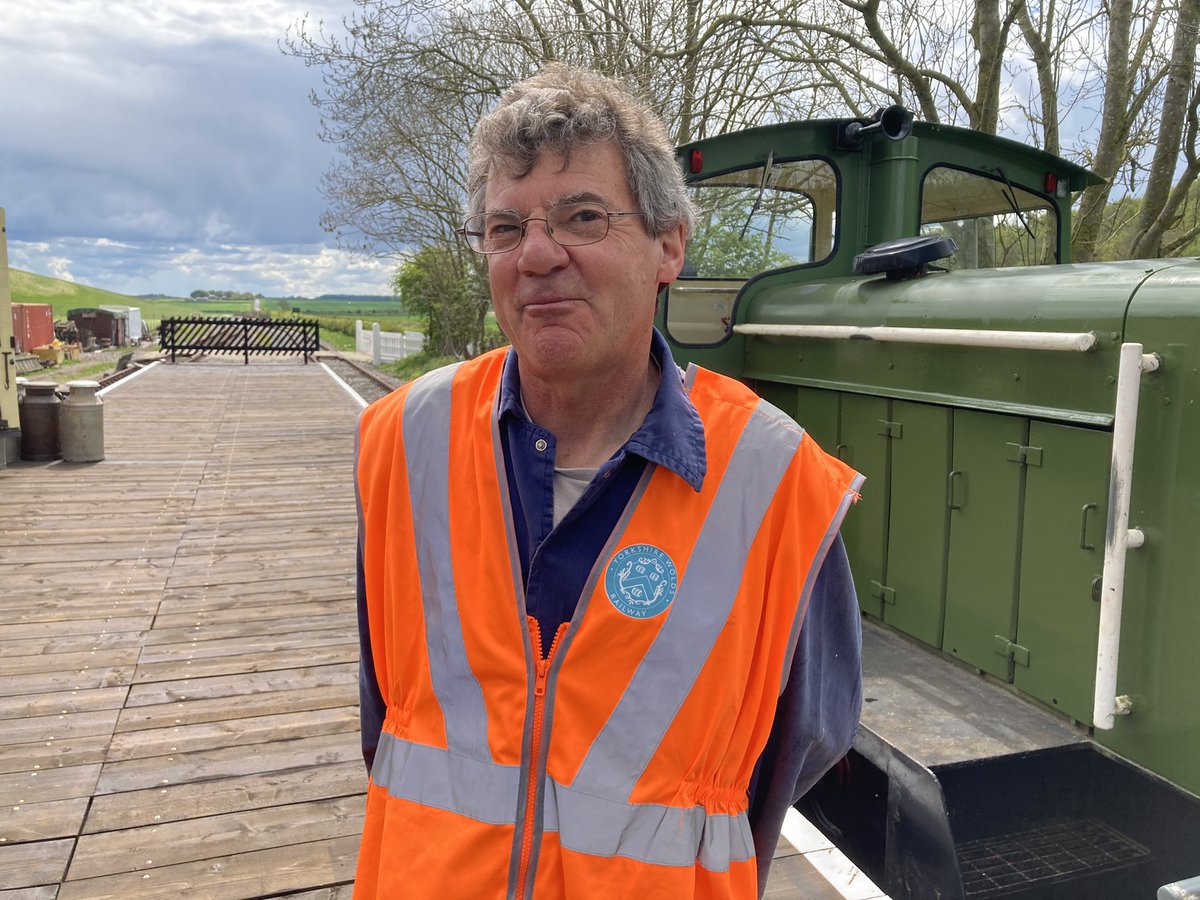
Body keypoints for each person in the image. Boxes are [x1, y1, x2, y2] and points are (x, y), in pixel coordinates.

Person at [353, 63, 865, 899]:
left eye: (582, 217)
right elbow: (390, 715)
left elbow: (804, 744)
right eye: (506, 228)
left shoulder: (777, 482)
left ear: (670, 246)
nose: (537, 254)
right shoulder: (403, 440)